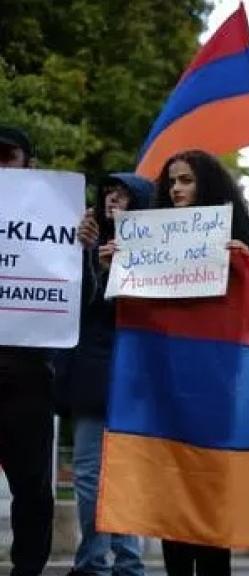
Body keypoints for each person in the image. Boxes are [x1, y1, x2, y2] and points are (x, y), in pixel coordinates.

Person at [100, 150, 249, 576]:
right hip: (165, 387)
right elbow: (129, 315)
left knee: (208, 501)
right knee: (171, 496)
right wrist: (112, 272)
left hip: (215, 391)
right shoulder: (150, 243)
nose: (176, 189)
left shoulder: (237, 247)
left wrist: (248, 269)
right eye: (171, 182)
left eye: (186, 180)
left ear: (206, 185)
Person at [58, 173, 154, 576]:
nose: (114, 199)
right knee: (88, 473)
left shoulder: (161, 248)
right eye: (109, 193)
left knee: (128, 473)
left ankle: (128, 563)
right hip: (92, 375)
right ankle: (93, 562)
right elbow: (64, 306)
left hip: (139, 375)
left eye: (125, 195)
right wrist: (95, 267)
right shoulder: (81, 245)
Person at [0, 125, 56, 576]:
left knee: (33, 487)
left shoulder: (59, 217)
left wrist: (82, 250)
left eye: (7, 155)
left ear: (28, 164)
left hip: (27, 375)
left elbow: (78, 303)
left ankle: (28, 570)